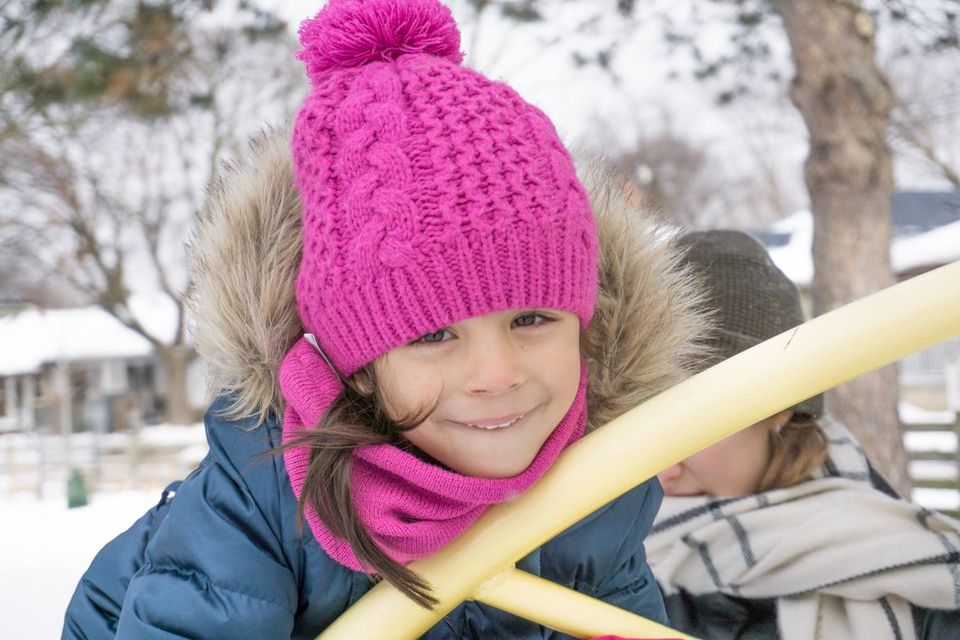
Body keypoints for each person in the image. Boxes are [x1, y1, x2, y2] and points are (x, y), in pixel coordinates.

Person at [61, 1, 708, 637]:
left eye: (532, 318)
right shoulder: (267, 490)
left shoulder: (603, 479)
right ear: (359, 369)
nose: (495, 372)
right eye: (433, 334)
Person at [648, 229, 960, 640]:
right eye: (635, 430)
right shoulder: (577, 571)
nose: (660, 469)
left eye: (689, 424)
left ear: (779, 408)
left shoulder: (923, 581)